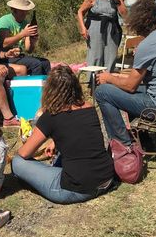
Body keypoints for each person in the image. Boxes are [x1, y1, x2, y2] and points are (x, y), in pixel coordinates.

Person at [94, 0, 156, 146]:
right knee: (119, 87)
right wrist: (115, 78)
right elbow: (136, 82)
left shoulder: (147, 44)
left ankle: (123, 145)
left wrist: (108, 78)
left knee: (102, 92)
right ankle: (143, 139)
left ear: (137, 22)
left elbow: (130, 86)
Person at [12, 65, 115, 204]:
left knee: (17, 162)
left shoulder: (50, 117)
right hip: (106, 178)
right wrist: (55, 141)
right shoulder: (89, 107)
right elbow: (77, 132)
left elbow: (24, 153)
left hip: (77, 189)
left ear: (50, 90)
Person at [77, 0, 127, 72]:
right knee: (96, 55)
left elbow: (124, 14)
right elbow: (80, 12)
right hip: (96, 28)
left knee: (111, 55)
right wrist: (83, 28)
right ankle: (93, 82)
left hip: (112, 28)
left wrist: (116, 1)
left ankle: (108, 81)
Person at [0, 0, 51, 75]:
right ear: (14, 9)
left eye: (26, 10)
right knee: (35, 64)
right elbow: (4, 44)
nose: (25, 13)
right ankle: (33, 87)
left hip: (18, 56)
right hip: (5, 56)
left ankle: (47, 86)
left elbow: (29, 50)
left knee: (45, 63)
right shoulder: (4, 21)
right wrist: (23, 34)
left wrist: (33, 41)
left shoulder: (25, 23)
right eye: (22, 10)